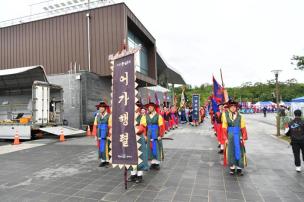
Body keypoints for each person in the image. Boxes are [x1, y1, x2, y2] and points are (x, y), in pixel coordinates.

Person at [222, 100, 248, 176]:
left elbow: (243, 128)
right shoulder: (226, 116)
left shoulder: (241, 116)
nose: (233, 108)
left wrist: (243, 138)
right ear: (229, 108)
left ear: (236, 108)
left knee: (239, 151)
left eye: (234, 107)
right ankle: (232, 168)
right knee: (231, 151)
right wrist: (225, 138)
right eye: (231, 107)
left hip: (238, 135)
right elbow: (224, 127)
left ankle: (239, 168)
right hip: (230, 136)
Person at [128, 101, 149, 183]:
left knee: (140, 157)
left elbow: (142, 128)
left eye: (136, 107)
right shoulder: (129, 117)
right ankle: (133, 174)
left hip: (139, 138)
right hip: (131, 139)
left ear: (139, 108)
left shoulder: (142, 117)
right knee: (131, 156)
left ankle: (139, 175)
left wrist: (132, 128)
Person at [140, 102, 164, 170]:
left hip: (156, 133)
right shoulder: (145, 116)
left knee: (156, 147)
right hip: (149, 133)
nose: (149, 108)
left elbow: (161, 126)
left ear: (154, 108)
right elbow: (143, 127)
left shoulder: (158, 116)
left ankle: (157, 163)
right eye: (148, 107)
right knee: (149, 148)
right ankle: (152, 163)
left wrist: (160, 135)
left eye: (151, 107)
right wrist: (144, 135)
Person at [95, 101, 112, 167]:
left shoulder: (109, 116)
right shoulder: (97, 116)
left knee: (107, 146)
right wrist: (96, 135)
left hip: (106, 132)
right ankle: (103, 160)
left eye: (102, 107)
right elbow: (95, 125)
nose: (101, 109)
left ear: (105, 108)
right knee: (101, 147)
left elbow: (110, 126)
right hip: (99, 132)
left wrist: (109, 134)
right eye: (100, 108)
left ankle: (107, 160)